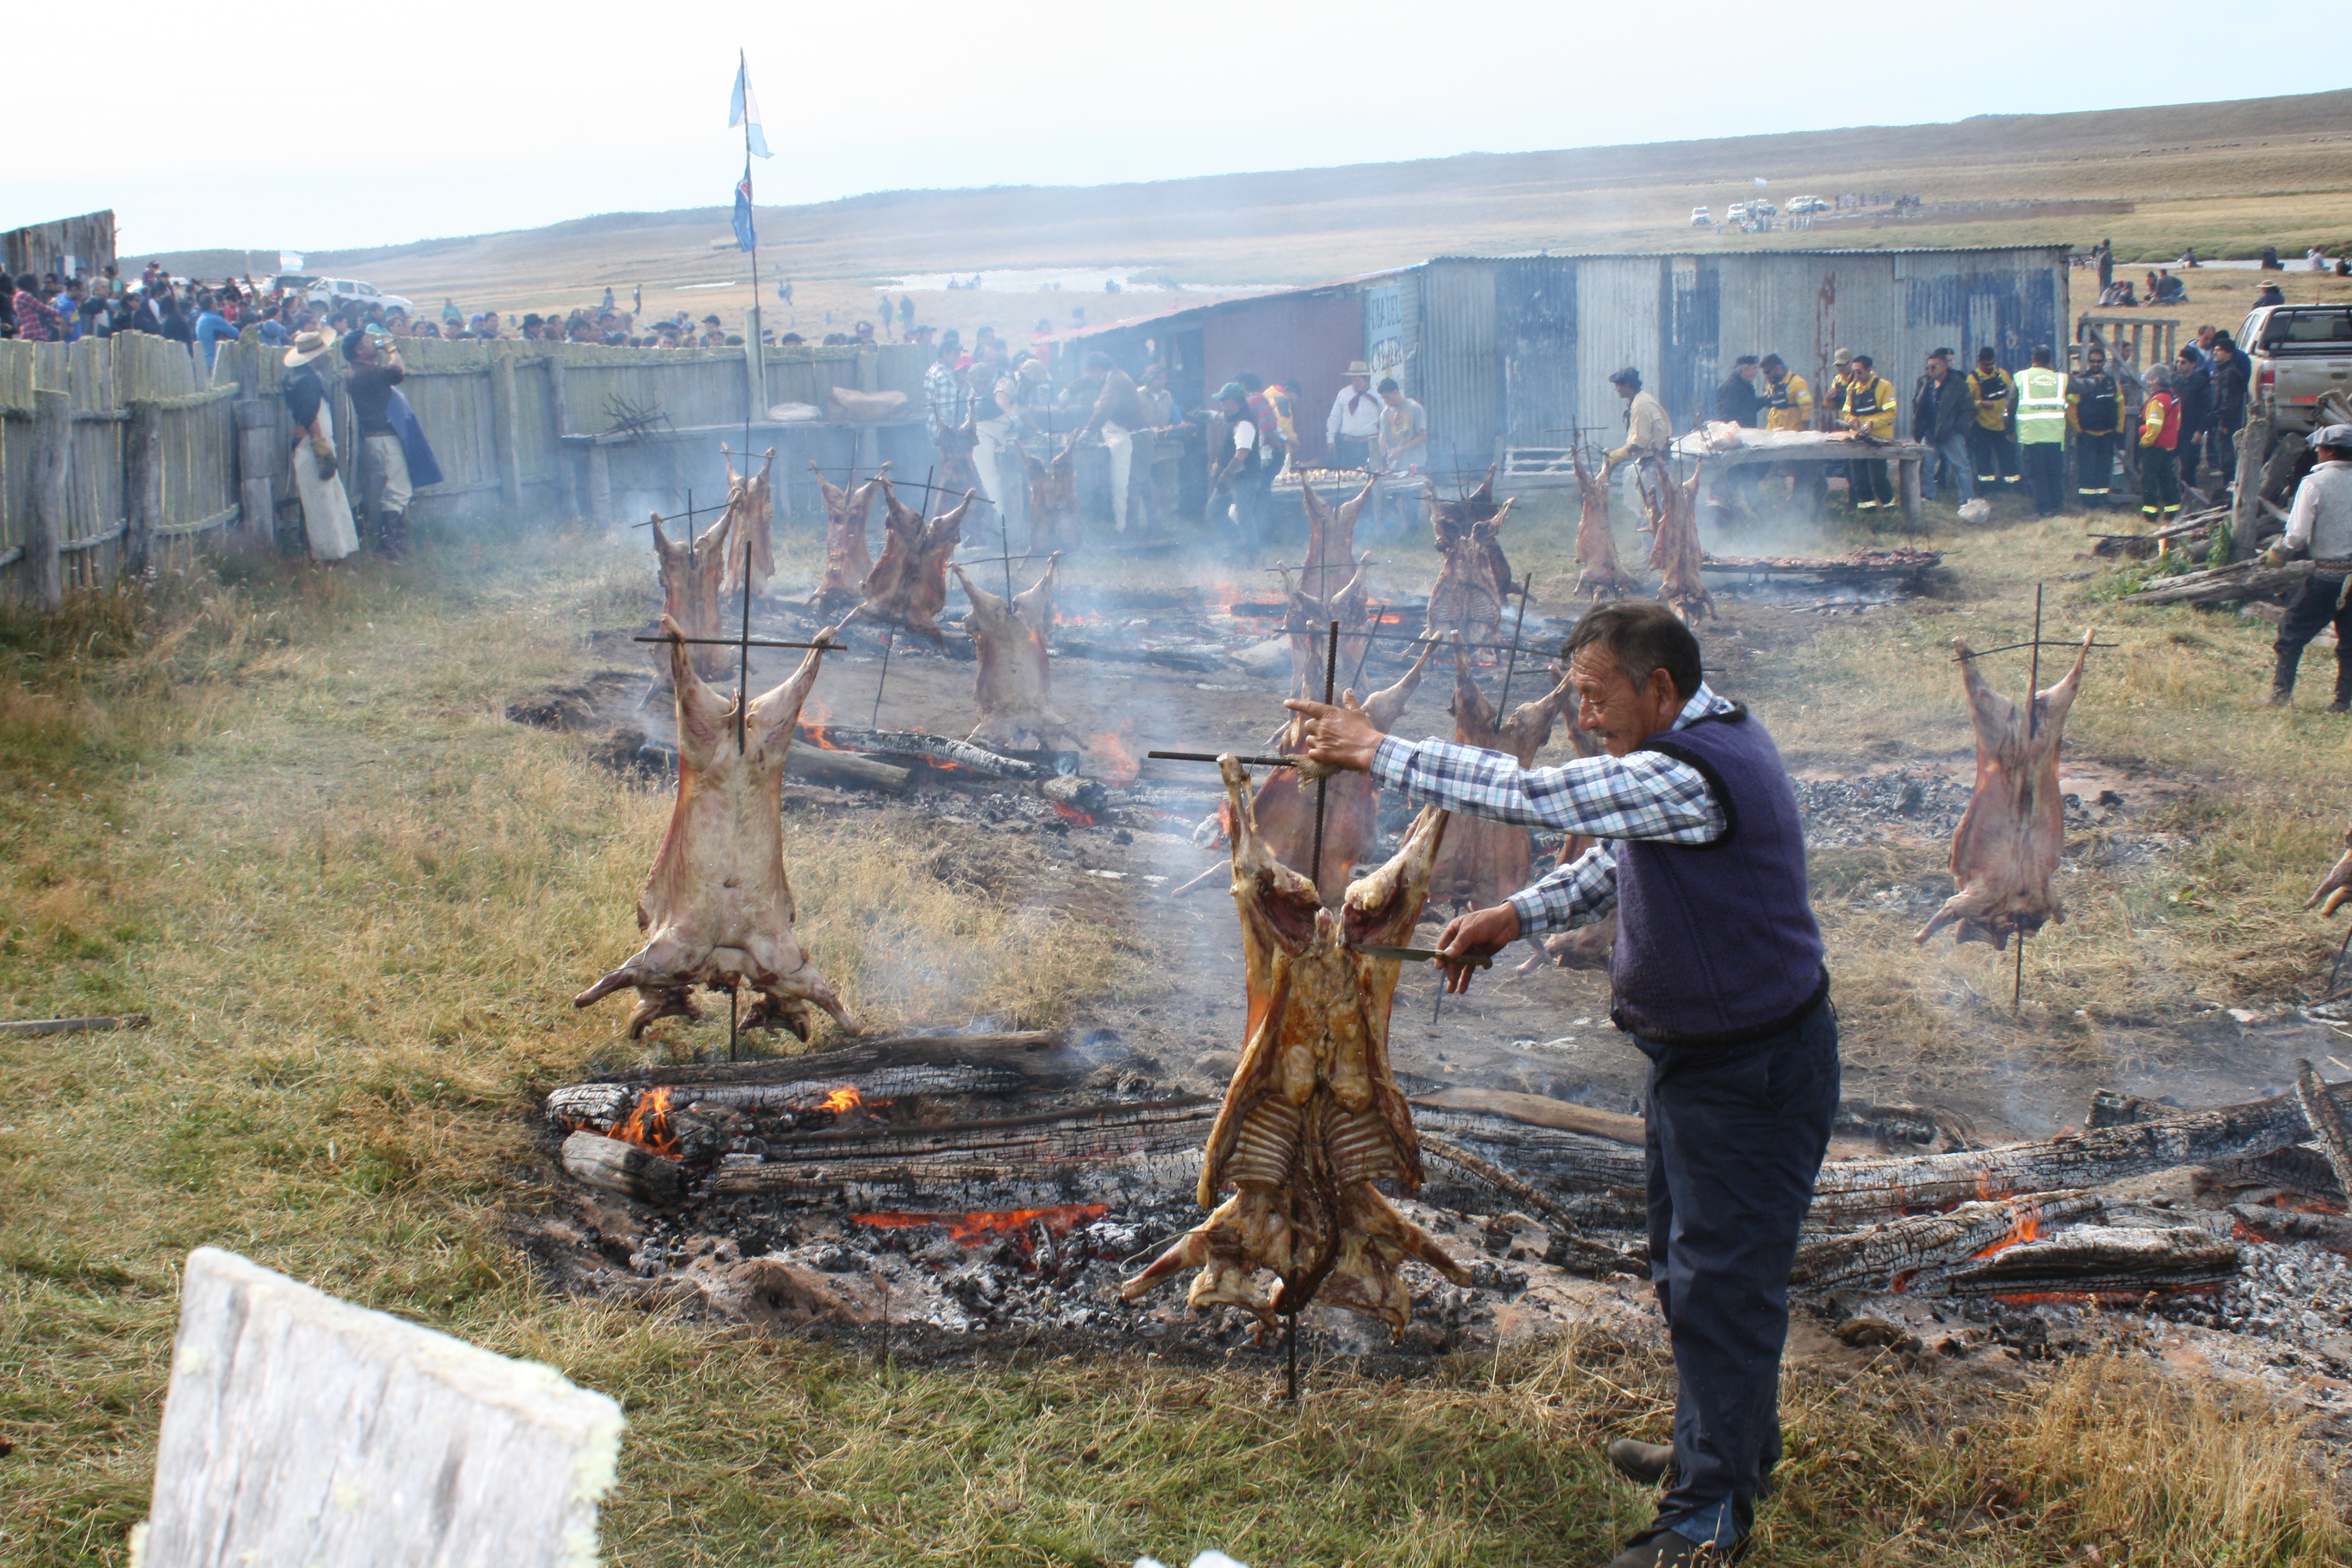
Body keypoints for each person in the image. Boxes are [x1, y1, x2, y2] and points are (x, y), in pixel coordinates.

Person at [1282, 600, 1836, 1568]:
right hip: (1705, 1063)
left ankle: (1708, 1518)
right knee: (1688, 1265)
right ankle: (1730, 1444)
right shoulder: (1694, 744)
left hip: (1751, 1074)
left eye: (1594, 695)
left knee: (1722, 1282)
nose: (1583, 717)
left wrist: (1381, 752)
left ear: (1658, 687)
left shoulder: (1690, 768)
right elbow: (1621, 862)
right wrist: (1516, 913)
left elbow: (1542, 800)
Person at [2259, 423, 2352, 708]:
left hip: (2327, 576)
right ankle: (2342, 702)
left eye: (2320, 449)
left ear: (2331, 450)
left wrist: (2278, 555)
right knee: (2350, 641)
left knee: (2291, 632)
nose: (2318, 453)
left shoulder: (2315, 484)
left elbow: (2297, 535)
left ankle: (2280, 695)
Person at [280, 328, 358, 562]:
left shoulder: (295, 378)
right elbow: (310, 416)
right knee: (322, 502)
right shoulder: (307, 381)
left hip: (310, 443)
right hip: (313, 444)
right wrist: (321, 449)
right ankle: (328, 555)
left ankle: (325, 553)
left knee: (321, 499)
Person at [344, 329, 413, 558]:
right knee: (398, 491)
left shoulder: (360, 372)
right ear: (359, 350)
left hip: (375, 437)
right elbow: (397, 372)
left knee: (389, 491)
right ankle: (390, 547)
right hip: (382, 437)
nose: (374, 343)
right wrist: (393, 349)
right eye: (367, 341)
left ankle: (390, 545)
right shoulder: (366, 372)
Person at [1074, 350, 1145, 532]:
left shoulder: (1115, 382)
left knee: (1123, 485)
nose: (1091, 377)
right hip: (1120, 435)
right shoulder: (1111, 375)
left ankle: (1126, 530)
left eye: (1092, 372)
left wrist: (1088, 432)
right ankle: (1124, 526)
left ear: (1098, 369)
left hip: (1128, 437)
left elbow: (1104, 408)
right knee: (1123, 484)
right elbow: (1086, 380)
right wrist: (1069, 390)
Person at [1831, 353, 1897, 511]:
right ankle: (1868, 510)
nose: (1856, 376)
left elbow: (1891, 413)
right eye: (1854, 372)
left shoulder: (1884, 387)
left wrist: (1871, 423)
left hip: (1878, 438)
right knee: (1858, 478)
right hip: (1858, 437)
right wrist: (1851, 420)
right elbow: (1846, 411)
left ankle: (1890, 508)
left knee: (1878, 478)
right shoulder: (1852, 388)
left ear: (1869, 370)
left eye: (1859, 372)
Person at [1210, 381, 1267, 557]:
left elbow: (1242, 453)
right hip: (1233, 478)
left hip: (1244, 479)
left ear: (1234, 401)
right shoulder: (1232, 419)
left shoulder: (1244, 424)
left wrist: (1226, 476)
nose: (1222, 404)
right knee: (1214, 509)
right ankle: (1236, 543)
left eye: (1224, 401)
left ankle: (1252, 554)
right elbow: (1218, 416)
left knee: (1244, 517)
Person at [1911, 347, 1974, 505]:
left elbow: (1969, 410)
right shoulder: (1925, 383)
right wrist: (1921, 430)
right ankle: (1928, 498)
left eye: (1934, 367)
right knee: (1926, 468)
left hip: (1951, 435)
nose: (1930, 370)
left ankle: (1968, 501)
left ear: (1945, 367)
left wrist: (1956, 428)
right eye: (1928, 367)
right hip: (1931, 434)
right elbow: (1918, 407)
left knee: (1962, 468)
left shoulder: (1958, 384)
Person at [2013, 346, 2069, 516]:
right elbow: (2083, 387)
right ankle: (2056, 507)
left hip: (2031, 435)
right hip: (2055, 435)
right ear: (2050, 360)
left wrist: (2008, 428)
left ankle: (2043, 509)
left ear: (2033, 358)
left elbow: (2010, 403)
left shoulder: (2022, 377)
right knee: (2054, 472)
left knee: (2037, 475)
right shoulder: (2061, 379)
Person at [2066, 345, 2122, 509]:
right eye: (2093, 361)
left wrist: (2118, 429)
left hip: (2108, 434)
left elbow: (2120, 405)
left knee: (2104, 468)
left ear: (2104, 362)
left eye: (2099, 361)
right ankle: (2088, 503)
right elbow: (2071, 407)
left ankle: (2102, 499)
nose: (2096, 364)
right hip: (2087, 434)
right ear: (2088, 362)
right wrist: (2078, 430)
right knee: (2087, 469)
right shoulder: (2081, 381)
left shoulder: (2112, 382)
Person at [1603, 367, 1671, 494]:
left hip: (1655, 463)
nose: (1615, 389)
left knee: (1654, 505)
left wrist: (1616, 456)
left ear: (1627, 386)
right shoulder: (1640, 400)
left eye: (1617, 386)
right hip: (1653, 461)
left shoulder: (1641, 405)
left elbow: (1640, 441)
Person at [2137, 362, 2183, 526]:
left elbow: (2153, 428)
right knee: (2168, 480)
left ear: (2156, 380)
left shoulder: (2157, 401)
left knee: (2149, 480)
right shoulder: (2174, 396)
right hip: (2170, 445)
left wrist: (2144, 440)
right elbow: (2177, 422)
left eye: (2149, 379)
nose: (2148, 383)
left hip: (2155, 446)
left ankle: (2151, 514)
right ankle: (2172, 511)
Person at [1965, 347, 2018, 490]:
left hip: (2002, 425)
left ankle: (2012, 489)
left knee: (2008, 459)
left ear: (1994, 361)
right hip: (1982, 425)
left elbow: (2012, 394)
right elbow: (1966, 401)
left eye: (1990, 364)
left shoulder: (2003, 375)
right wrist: (1980, 403)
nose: (1988, 367)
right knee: (1983, 460)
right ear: (1979, 361)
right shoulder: (1972, 379)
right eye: (1985, 364)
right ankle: (1987, 489)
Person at [2207, 333, 2251, 494]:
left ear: (2229, 353)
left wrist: (2224, 422)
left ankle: (2230, 490)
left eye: (2219, 350)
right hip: (2225, 420)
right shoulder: (2223, 372)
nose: (2215, 353)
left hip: (2229, 423)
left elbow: (2230, 401)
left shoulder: (2230, 374)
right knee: (2225, 456)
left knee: (2228, 458)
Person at [1326, 361, 1383, 469]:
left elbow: (1385, 418)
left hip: (1369, 444)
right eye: (1353, 380)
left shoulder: (1377, 394)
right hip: (1348, 445)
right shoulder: (1344, 394)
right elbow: (1335, 418)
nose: (1355, 383)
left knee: (1370, 475)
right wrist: (1331, 439)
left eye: (1358, 380)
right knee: (1347, 475)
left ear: (1365, 380)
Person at [2173, 346, 2215, 492]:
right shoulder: (2174, 380)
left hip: (2191, 429)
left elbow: (2205, 409)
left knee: (2189, 466)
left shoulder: (2200, 383)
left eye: (2184, 362)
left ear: (2193, 364)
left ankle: (2189, 496)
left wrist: (2200, 431)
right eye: (2178, 362)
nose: (2180, 365)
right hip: (2174, 429)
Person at [1376, 377, 1428, 476]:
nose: (1385, 401)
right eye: (1383, 398)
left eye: (1387, 397)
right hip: (1395, 467)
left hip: (1415, 464)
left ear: (1396, 392)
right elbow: (1383, 439)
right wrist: (1377, 459)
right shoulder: (1385, 413)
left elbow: (1423, 437)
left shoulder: (1415, 408)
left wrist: (1401, 449)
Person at [192, 295, 242, 370]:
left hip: (204, 359)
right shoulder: (215, 319)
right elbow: (235, 334)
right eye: (215, 303)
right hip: (216, 360)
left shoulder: (201, 319)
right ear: (212, 305)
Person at [1712, 355, 1762, 426]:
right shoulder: (1732, 388)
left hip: (1744, 433)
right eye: (1754, 368)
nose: (1756, 372)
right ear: (1744, 369)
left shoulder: (1745, 385)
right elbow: (1729, 416)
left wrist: (1767, 400)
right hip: (1737, 434)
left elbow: (1749, 406)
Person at [10, 273, 59, 342]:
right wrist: (58, 312)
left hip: (30, 330)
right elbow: (41, 307)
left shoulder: (18, 295)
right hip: (34, 332)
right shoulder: (24, 295)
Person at [1137, 361, 1178, 428]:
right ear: (1150, 379)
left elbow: (1177, 419)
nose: (1162, 381)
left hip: (1164, 437)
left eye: (1164, 378)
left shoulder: (1167, 396)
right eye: (1159, 378)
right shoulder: (1138, 395)